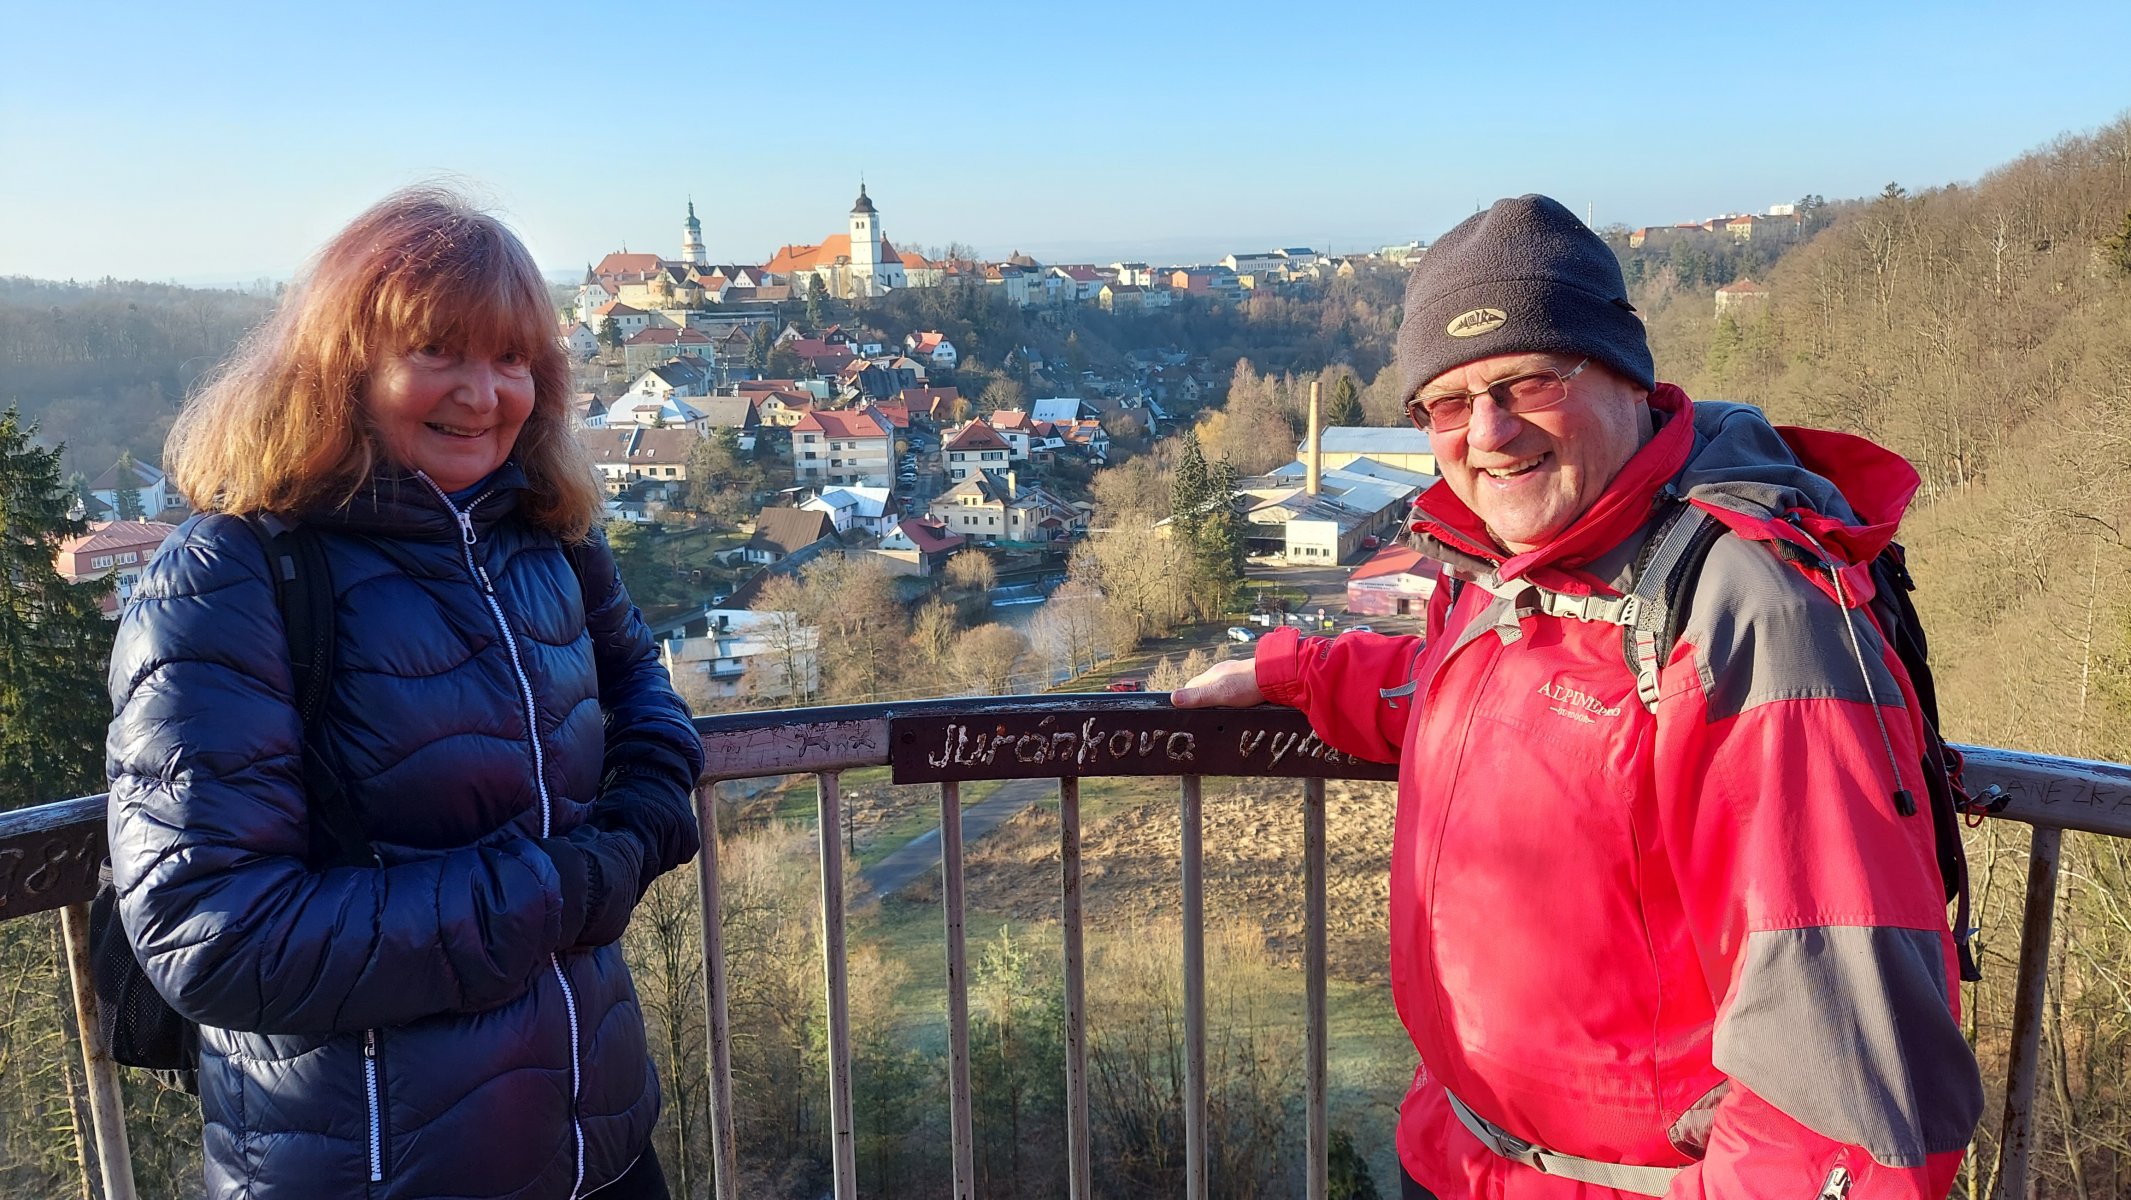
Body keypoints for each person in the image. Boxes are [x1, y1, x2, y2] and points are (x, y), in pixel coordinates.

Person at [1176, 195, 1983, 1199]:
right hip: (1466, 1156)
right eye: (1445, 403)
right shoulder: (1514, 564)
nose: (1489, 432)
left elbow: (1844, 1098)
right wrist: (1294, 671)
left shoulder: (1749, 620)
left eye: (1528, 381)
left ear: (1624, 375)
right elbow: (1483, 696)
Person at [105, 188, 704, 1200]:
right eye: (438, 351)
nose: (484, 393)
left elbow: (642, 686)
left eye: (511, 357)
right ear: (339, 367)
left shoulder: (543, 534)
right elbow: (217, 934)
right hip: (375, 1168)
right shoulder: (233, 575)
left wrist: (644, 820)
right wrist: (566, 888)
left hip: (598, 1143)